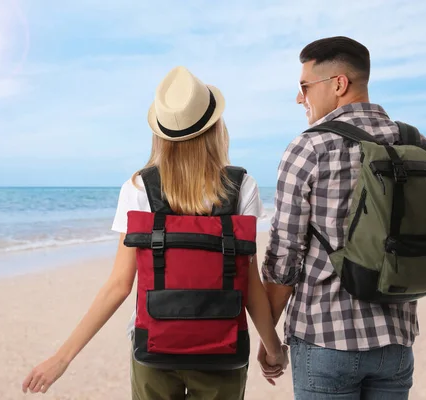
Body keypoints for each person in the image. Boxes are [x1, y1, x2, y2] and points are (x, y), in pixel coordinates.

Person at [22, 66, 288, 399]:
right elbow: (248, 282)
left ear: (160, 133)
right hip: (223, 348)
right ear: (216, 127)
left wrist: (62, 358)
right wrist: (272, 347)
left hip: (154, 346)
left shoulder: (137, 188)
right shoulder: (240, 187)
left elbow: (119, 286)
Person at [257, 36, 426, 399]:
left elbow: (284, 260)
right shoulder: (419, 146)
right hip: (396, 342)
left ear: (338, 84)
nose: (298, 98)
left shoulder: (309, 148)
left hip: (325, 339)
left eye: (304, 86)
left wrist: (269, 338)